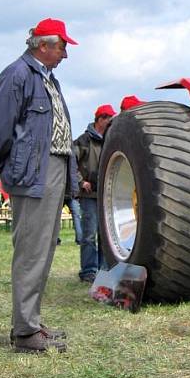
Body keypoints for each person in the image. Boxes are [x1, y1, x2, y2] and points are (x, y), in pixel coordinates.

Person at [0, 18, 79, 354]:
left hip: (50, 170)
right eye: (62, 46)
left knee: (43, 251)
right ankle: (25, 332)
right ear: (44, 45)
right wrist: (6, 165)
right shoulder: (18, 74)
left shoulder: (46, 78)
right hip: (34, 172)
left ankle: (30, 323)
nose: (66, 53)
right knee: (31, 252)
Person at [74, 104, 116, 282]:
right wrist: (80, 181)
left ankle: (103, 269)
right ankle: (88, 271)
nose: (111, 122)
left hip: (105, 195)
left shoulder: (110, 139)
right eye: (108, 119)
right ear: (100, 119)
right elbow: (70, 162)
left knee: (105, 236)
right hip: (89, 195)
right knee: (89, 235)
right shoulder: (83, 140)